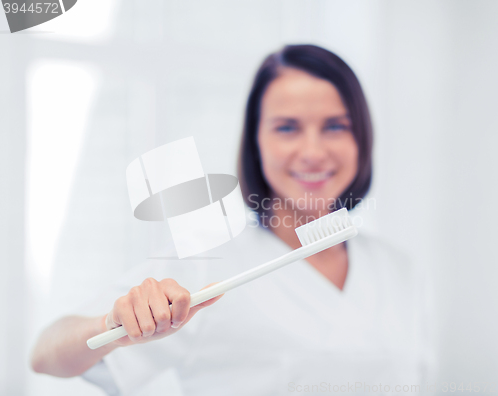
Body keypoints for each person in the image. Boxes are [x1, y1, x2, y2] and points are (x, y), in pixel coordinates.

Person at [30, 44, 437, 395]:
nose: (313, 151)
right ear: (256, 140)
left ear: (361, 138)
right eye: (287, 128)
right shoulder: (206, 263)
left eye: (335, 126)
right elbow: (45, 354)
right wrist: (114, 320)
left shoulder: (400, 272)